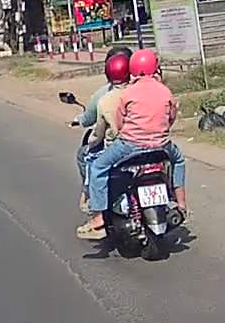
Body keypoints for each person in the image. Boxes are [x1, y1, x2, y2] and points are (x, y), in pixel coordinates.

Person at [76, 48, 189, 240]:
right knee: (178, 161)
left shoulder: (127, 93)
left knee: (98, 167)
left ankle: (98, 217)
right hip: (161, 145)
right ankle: (181, 203)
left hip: (130, 145)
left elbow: (119, 122)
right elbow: (171, 117)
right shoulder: (165, 91)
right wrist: (159, 133)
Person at [73, 46, 134, 210]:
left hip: (121, 146)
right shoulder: (144, 90)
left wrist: (92, 142)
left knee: (91, 160)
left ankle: (95, 206)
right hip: (152, 143)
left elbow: (96, 129)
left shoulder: (104, 97)